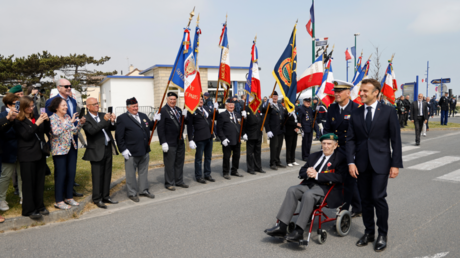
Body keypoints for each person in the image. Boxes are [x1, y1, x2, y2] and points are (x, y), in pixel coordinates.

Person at [347, 78, 403, 252]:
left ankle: (382, 234)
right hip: (361, 164)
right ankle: (369, 232)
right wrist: (350, 161)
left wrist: (395, 164)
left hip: (381, 162)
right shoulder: (356, 112)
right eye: (361, 90)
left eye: (365, 91)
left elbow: (396, 140)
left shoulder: (388, 111)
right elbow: (350, 139)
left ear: (375, 92)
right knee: (365, 200)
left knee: (378, 197)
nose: (361, 93)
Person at [264, 133, 347, 241]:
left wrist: (317, 175)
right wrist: (308, 172)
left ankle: (299, 231)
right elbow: (301, 171)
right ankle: (282, 227)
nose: (326, 146)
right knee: (292, 190)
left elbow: (340, 177)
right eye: (324, 143)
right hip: (310, 184)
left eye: (329, 144)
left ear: (335, 146)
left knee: (308, 195)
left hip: (327, 189)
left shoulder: (340, 158)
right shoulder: (314, 156)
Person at [323, 79, 362, 218]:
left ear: (348, 92)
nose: (336, 94)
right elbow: (327, 129)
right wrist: (327, 144)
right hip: (335, 149)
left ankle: (343, 211)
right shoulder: (332, 108)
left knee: (348, 180)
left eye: (339, 91)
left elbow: (360, 134)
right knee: (341, 178)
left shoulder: (357, 109)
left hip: (350, 150)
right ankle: (358, 207)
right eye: (335, 91)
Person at [14, 96, 50, 219]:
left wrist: (46, 121)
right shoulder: (18, 121)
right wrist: (38, 123)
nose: (31, 108)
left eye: (32, 105)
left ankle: (40, 205)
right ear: (23, 108)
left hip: (39, 153)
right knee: (28, 183)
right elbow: (26, 135)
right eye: (28, 106)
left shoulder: (36, 117)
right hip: (27, 155)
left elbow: (45, 131)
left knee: (40, 182)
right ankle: (29, 209)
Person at [45, 79, 83, 197]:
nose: (68, 88)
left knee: (71, 170)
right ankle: (60, 196)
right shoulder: (51, 102)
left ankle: (69, 193)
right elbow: (49, 125)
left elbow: (72, 121)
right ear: (58, 87)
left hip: (72, 138)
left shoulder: (72, 100)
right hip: (59, 141)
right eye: (66, 86)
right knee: (61, 171)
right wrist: (52, 139)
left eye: (70, 86)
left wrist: (79, 124)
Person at [49, 97, 86, 210]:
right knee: (61, 175)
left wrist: (79, 123)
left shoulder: (67, 117)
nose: (66, 107)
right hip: (59, 151)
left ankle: (69, 197)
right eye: (63, 105)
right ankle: (59, 201)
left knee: (71, 173)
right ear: (56, 107)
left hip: (71, 148)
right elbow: (56, 132)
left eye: (66, 105)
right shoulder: (52, 118)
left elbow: (74, 131)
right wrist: (69, 122)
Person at [116, 97, 156, 200]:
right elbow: (119, 136)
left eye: (137, 106)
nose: (136, 108)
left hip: (144, 149)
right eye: (133, 106)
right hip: (131, 152)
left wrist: (156, 120)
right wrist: (123, 149)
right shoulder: (122, 118)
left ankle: (143, 190)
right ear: (128, 107)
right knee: (131, 174)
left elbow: (150, 126)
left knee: (143, 172)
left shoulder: (143, 115)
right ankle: (132, 193)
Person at [82, 98, 119, 209]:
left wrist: (112, 121)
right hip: (96, 150)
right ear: (88, 106)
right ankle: (97, 199)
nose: (97, 106)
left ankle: (106, 196)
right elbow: (92, 131)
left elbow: (112, 128)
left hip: (107, 147)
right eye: (94, 104)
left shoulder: (103, 114)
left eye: (97, 103)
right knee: (97, 175)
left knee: (107, 173)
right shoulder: (85, 119)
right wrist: (104, 121)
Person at [157, 93, 188, 190]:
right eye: (171, 99)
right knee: (170, 163)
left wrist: (186, 116)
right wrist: (163, 142)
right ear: (167, 99)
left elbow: (182, 124)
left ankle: (179, 181)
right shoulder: (162, 111)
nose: (172, 101)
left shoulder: (179, 110)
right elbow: (160, 128)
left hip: (179, 141)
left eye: (174, 99)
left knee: (179, 162)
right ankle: (169, 183)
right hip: (169, 142)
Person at [0, 93, 23, 211]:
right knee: (5, 175)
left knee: (22, 175)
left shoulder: (22, 114)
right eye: (16, 104)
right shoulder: (3, 115)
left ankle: (23, 197)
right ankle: (1, 199)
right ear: (8, 104)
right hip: (8, 150)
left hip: (22, 149)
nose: (18, 106)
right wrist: (10, 119)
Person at [187, 98, 219, 183]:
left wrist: (216, 109)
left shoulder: (206, 108)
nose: (200, 101)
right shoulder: (192, 110)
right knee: (199, 158)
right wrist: (190, 139)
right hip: (200, 137)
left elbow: (215, 117)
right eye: (198, 100)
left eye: (201, 100)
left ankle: (207, 174)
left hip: (209, 136)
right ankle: (199, 176)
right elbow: (189, 126)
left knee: (208, 157)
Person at [217, 98, 244, 179]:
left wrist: (243, 134)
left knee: (237, 156)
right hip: (227, 140)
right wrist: (223, 138)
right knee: (226, 157)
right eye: (229, 105)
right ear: (226, 105)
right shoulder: (222, 115)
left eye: (233, 105)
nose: (231, 106)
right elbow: (219, 129)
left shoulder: (237, 114)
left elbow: (240, 126)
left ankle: (234, 171)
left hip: (237, 139)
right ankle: (225, 172)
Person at [265, 91, 287, 170]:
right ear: (271, 97)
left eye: (276, 96)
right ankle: (272, 163)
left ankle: (277, 161)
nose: (275, 98)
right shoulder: (269, 106)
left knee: (279, 146)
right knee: (273, 147)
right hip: (273, 130)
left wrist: (288, 113)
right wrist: (268, 130)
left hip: (280, 130)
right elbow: (266, 120)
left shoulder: (280, 106)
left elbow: (283, 115)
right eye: (273, 96)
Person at [242, 104, 265, 174]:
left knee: (258, 152)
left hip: (258, 133)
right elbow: (243, 122)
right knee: (250, 153)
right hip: (250, 133)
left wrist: (269, 103)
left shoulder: (259, 106)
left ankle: (258, 167)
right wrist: (243, 133)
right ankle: (250, 168)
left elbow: (267, 110)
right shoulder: (246, 107)